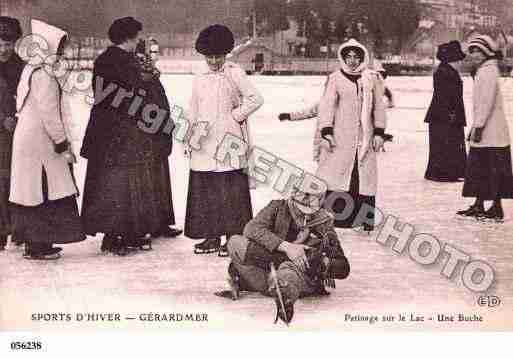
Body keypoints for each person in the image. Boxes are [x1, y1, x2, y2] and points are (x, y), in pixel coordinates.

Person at [81, 17, 178, 255]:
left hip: (104, 132)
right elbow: (128, 97)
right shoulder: (126, 62)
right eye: (136, 38)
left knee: (107, 184)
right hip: (124, 134)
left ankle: (113, 234)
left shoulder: (104, 59)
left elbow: (103, 93)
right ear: (130, 38)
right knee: (124, 185)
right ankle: (121, 235)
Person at [215, 187, 350, 324]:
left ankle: (284, 296)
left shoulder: (323, 221)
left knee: (286, 272)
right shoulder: (277, 207)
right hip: (265, 271)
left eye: (311, 212)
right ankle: (265, 282)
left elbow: (343, 267)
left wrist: (322, 262)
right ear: (292, 199)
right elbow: (251, 229)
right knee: (235, 242)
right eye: (300, 210)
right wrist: (288, 248)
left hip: (297, 277)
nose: (305, 217)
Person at [185, 24, 263, 256]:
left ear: (226, 54)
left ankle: (232, 239)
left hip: (230, 139)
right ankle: (211, 236)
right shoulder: (199, 76)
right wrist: (191, 135)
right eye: (209, 57)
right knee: (207, 188)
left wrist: (235, 116)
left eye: (218, 56)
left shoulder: (234, 72)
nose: (214, 61)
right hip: (204, 140)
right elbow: (193, 107)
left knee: (230, 190)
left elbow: (255, 98)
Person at [10, 20, 85, 260]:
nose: (62, 52)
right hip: (40, 142)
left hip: (30, 138)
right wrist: (62, 142)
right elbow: (49, 113)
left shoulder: (32, 68)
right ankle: (38, 243)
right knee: (44, 191)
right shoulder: (44, 74)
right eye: (60, 47)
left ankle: (35, 241)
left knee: (33, 191)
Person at [316, 39, 387, 231]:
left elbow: (379, 107)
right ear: (343, 58)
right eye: (349, 57)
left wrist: (379, 131)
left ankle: (363, 219)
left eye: (357, 57)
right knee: (339, 175)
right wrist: (327, 130)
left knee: (362, 177)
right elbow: (326, 106)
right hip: (341, 137)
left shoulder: (371, 79)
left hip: (365, 138)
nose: (353, 61)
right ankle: (339, 218)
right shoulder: (335, 79)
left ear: (363, 58)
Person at [457, 35, 513, 222]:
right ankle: (480, 204)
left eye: (477, 51)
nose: (473, 54)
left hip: (491, 132)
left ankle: (495, 207)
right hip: (488, 130)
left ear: (487, 52)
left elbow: (486, 102)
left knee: (490, 168)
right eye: (472, 51)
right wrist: (476, 126)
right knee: (482, 168)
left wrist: (478, 127)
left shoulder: (488, 71)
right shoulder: (484, 70)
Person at [424, 41, 467, 182]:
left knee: (444, 145)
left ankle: (444, 172)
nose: (460, 62)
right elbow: (444, 96)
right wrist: (451, 114)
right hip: (444, 115)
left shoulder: (445, 70)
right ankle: (445, 173)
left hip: (443, 115)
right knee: (446, 144)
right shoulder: (445, 71)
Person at [0, 16, 24, 250]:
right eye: (0, 43)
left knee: (13, 180)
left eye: (8, 44)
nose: (3, 49)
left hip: (16, 133)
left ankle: (16, 229)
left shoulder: (21, 67)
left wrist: (17, 118)